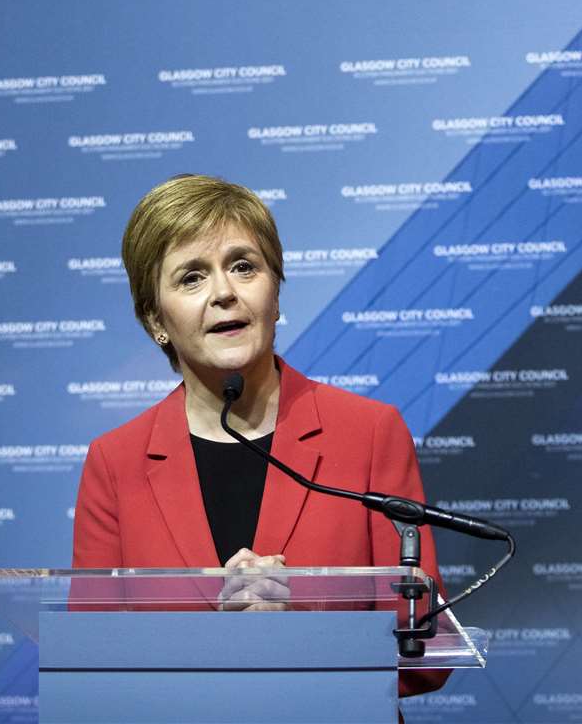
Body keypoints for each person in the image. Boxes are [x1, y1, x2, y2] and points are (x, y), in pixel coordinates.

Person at [72, 173, 448, 697]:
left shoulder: (367, 433)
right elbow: (89, 667)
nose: (224, 292)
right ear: (155, 318)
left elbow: (425, 656)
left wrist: (301, 632)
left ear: (275, 294)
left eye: (243, 267)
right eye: (191, 278)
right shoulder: (116, 463)